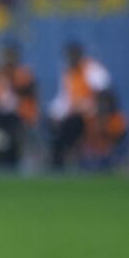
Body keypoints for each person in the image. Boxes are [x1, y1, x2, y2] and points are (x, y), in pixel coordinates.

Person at [49, 42, 111, 170]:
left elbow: (105, 95)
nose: (71, 59)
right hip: (75, 115)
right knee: (56, 126)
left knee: (70, 126)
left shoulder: (92, 69)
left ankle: (64, 161)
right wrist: (54, 115)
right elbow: (64, 100)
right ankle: (58, 163)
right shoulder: (68, 74)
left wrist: (94, 110)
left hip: (91, 116)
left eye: (73, 55)